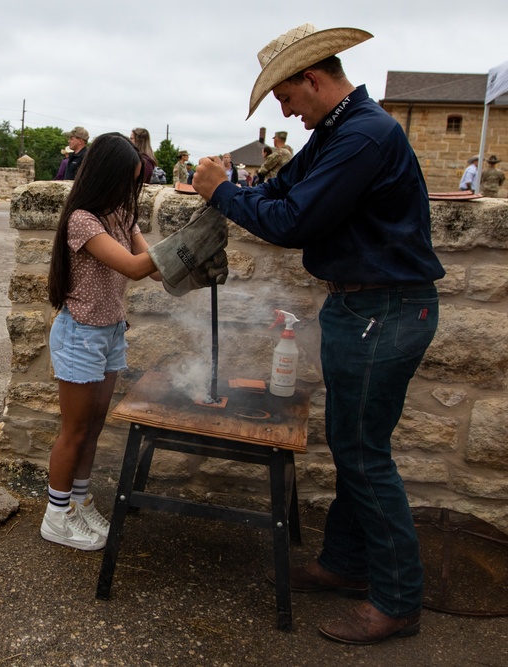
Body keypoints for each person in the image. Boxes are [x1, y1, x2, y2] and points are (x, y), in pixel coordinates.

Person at [192, 23, 445, 645]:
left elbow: (295, 220)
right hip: (364, 310)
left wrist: (221, 192)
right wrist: (234, 185)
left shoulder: (363, 134)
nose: (284, 110)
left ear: (312, 78)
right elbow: (280, 187)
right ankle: (346, 563)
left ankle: (397, 600)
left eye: (284, 96)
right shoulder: (339, 128)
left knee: (364, 456)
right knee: (354, 444)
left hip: (383, 311)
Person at [42, 132, 228, 551]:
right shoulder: (82, 220)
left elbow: (158, 271)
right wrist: (190, 241)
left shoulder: (122, 216)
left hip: (110, 332)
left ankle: (79, 501)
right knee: (73, 431)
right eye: (126, 181)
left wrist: (197, 264)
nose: (132, 190)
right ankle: (56, 517)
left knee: (92, 429)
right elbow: (132, 265)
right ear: (105, 176)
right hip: (80, 335)